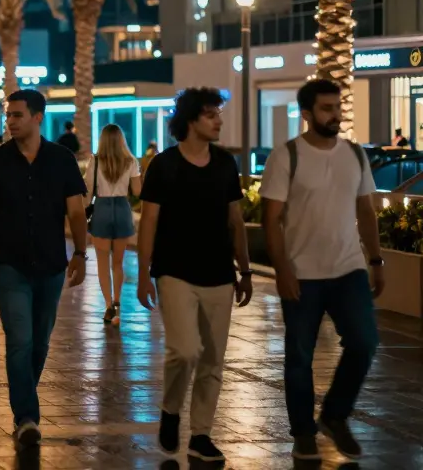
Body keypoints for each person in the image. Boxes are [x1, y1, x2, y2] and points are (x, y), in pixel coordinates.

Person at [260, 79, 382, 461]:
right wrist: (282, 270)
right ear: (308, 114)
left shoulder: (354, 154)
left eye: (338, 107)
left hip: (349, 269)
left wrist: (375, 260)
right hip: (302, 273)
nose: (336, 115)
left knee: (364, 342)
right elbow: (271, 219)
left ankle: (334, 414)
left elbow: (366, 210)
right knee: (299, 357)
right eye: (327, 109)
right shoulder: (286, 156)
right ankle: (303, 433)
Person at [138, 87, 252, 462]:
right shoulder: (164, 165)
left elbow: (235, 220)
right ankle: (171, 410)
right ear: (190, 120)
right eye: (211, 115)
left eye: (218, 114)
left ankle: (201, 434)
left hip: (219, 273)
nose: (219, 121)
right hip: (174, 272)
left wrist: (245, 270)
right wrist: (142, 274)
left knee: (213, 359)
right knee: (184, 350)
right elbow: (149, 222)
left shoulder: (223, 164)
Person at [0, 90, 88, 447]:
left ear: (38, 117)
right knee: (19, 340)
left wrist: (81, 253)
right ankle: (27, 416)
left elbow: (77, 211)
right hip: (9, 263)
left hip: (51, 264)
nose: (11, 121)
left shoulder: (61, 159)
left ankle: (24, 397)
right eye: (8, 116)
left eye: (18, 115)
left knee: (39, 342)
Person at [85, 124, 142, 326]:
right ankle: (118, 303)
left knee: (102, 262)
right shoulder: (130, 161)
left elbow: (88, 191)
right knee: (118, 262)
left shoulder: (96, 161)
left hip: (101, 209)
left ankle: (108, 304)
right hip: (121, 208)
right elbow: (136, 191)